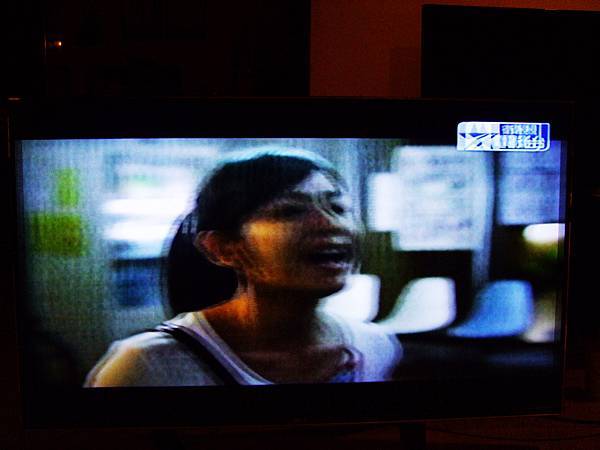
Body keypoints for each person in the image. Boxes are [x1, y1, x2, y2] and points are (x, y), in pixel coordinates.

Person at [85, 149, 402, 386]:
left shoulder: (377, 347)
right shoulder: (147, 366)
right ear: (223, 248)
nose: (331, 224)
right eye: (290, 211)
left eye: (338, 207)